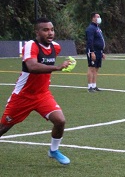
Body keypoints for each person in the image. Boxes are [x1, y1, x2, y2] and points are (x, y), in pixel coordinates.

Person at [0, 18, 74, 165]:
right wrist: (58, 67)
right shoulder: (31, 45)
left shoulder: (56, 47)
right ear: (37, 32)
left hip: (42, 95)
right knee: (3, 127)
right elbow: (32, 66)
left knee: (60, 121)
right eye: (45, 30)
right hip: (23, 96)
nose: (50, 33)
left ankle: (53, 151)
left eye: (52, 29)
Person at [85, 12, 106, 92]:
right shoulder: (90, 28)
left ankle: (94, 85)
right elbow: (90, 41)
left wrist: (102, 52)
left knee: (96, 68)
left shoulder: (97, 28)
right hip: (93, 50)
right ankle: (90, 87)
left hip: (99, 51)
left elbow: (99, 40)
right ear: (93, 18)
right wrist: (92, 52)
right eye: (98, 16)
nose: (99, 18)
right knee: (92, 68)